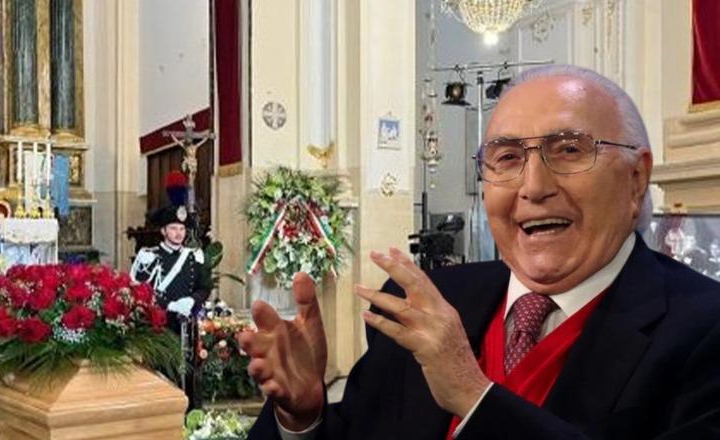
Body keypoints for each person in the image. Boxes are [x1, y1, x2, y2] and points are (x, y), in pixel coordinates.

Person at [241, 65, 720, 439]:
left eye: (569, 150)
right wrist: (302, 417)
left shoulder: (703, 331)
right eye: (507, 158)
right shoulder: (426, 304)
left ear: (636, 178)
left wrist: (474, 395)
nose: (534, 187)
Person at [130, 203, 207, 406]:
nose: (178, 233)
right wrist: (170, 305)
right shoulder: (149, 256)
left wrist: (193, 300)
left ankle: (190, 415)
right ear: (164, 231)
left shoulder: (194, 256)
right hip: (160, 325)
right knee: (163, 373)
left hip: (186, 326)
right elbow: (141, 292)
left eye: (182, 229)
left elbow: (204, 287)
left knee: (187, 374)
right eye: (173, 228)